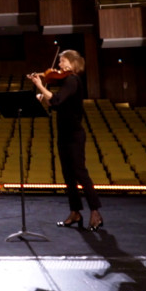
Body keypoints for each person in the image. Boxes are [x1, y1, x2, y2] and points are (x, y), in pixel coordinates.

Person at [28, 49, 103, 231]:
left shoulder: (72, 80)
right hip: (63, 134)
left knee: (80, 173)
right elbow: (55, 104)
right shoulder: (65, 82)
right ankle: (75, 212)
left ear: (71, 63)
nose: (59, 66)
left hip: (75, 135)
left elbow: (57, 100)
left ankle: (95, 212)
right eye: (60, 61)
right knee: (68, 176)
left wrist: (40, 85)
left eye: (62, 61)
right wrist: (42, 96)